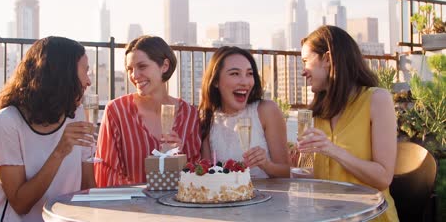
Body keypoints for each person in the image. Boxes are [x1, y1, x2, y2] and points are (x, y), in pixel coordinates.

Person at [0, 37, 96, 222]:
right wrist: (60, 152)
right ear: (63, 74)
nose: (88, 81)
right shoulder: (5, 122)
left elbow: (88, 187)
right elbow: (21, 204)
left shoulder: (76, 113)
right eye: (85, 71)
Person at [297, 25, 398, 221]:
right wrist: (293, 168)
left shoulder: (377, 100)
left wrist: (331, 149)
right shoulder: (317, 112)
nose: (303, 72)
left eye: (306, 61)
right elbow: (317, 176)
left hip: (370, 216)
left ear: (327, 59)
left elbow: (383, 178)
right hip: (326, 216)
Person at [94, 35, 201, 187]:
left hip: (178, 206)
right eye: (130, 69)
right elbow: (106, 170)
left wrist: (179, 156)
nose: (134, 75)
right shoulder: (116, 111)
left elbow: (197, 172)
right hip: (132, 207)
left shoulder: (190, 114)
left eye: (142, 66)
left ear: (164, 65)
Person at [199, 46, 289, 178]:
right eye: (235, 74)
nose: (245, 82)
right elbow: (205, 175)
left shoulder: (267, 111)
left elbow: (287, 172)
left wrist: (266, 164)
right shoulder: (207, 118)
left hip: (267, 197)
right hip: (226, 197)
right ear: (216, 81)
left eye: (249, 74)